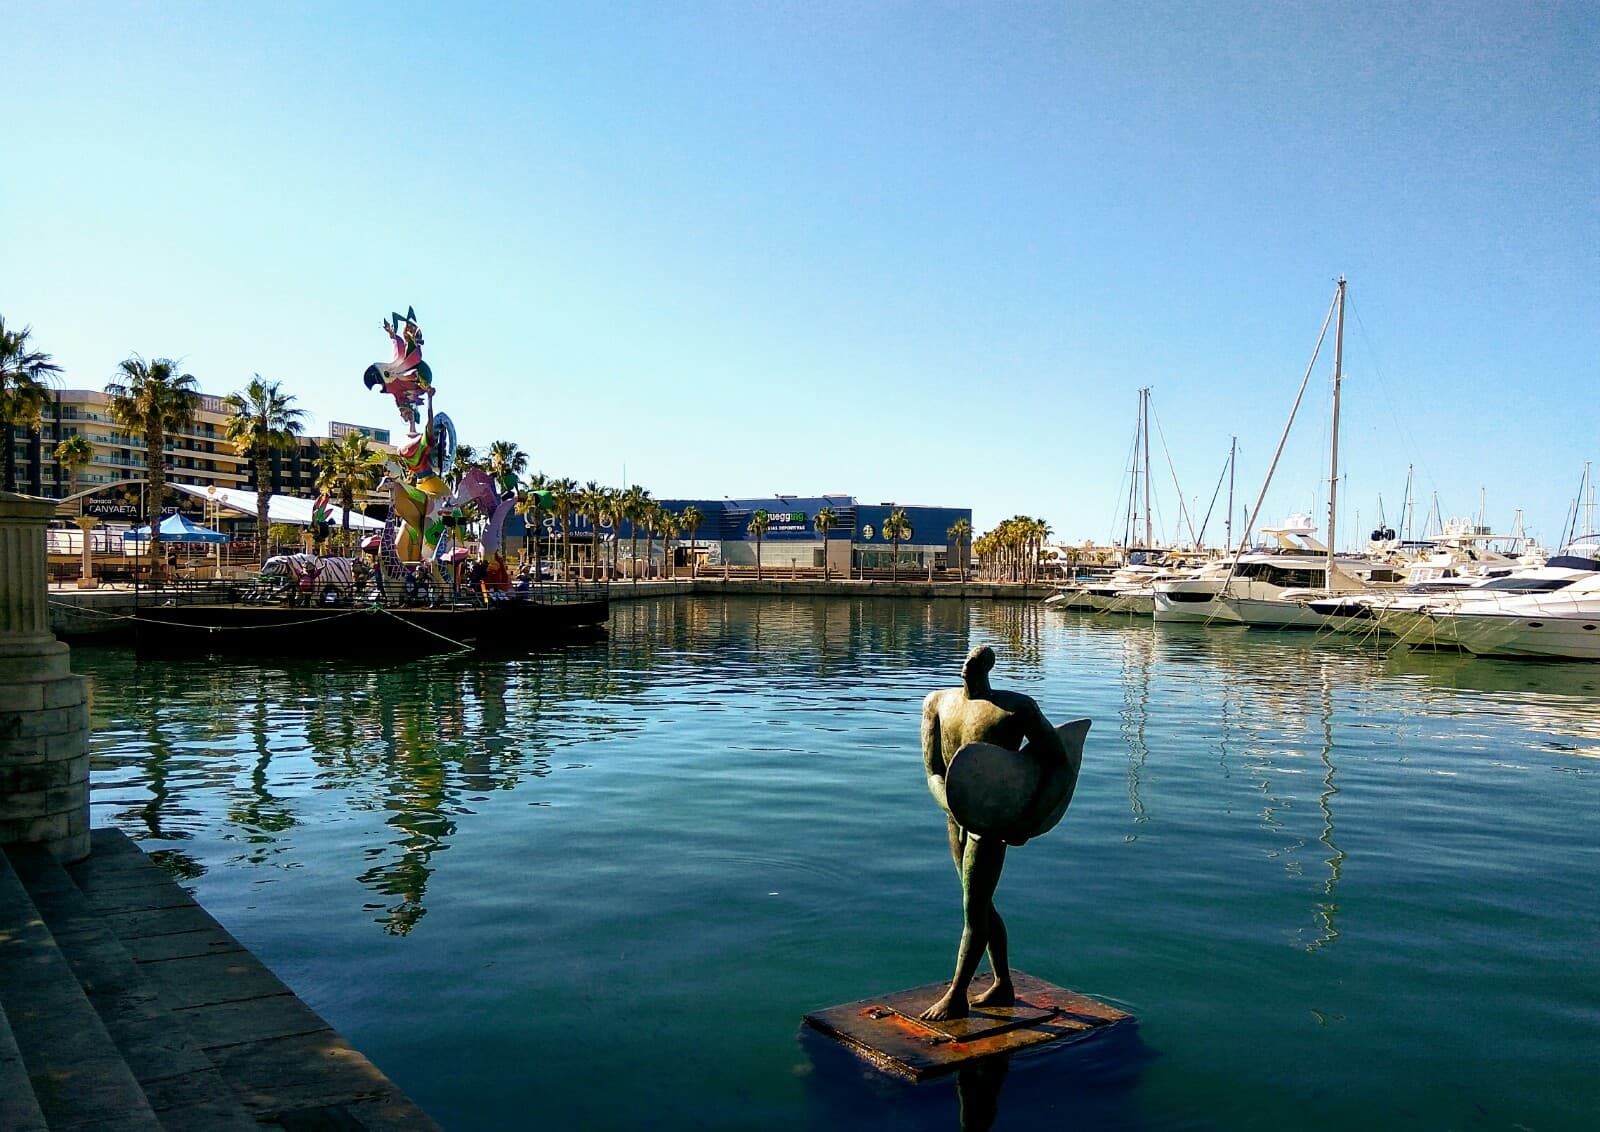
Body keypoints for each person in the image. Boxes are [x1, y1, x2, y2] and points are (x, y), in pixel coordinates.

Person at [918, 645, 1080, 1021]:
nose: (966, 666)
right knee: (980, 903)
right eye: (965, 661)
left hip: (991, 823)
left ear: (987, 668)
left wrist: (1030, 819)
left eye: (975, 662)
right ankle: (1003, 982)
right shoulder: (937, 703)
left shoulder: (1015, 708)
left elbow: (1057, 763)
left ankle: (957, 993)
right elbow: (932, 771)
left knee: (974, 909)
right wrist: (952, 806)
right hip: (956, 818)